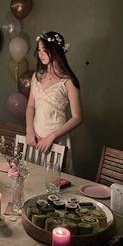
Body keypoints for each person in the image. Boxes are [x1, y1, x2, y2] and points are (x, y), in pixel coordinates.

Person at [26, 31, 82, 173]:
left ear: (56, 51)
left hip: (57, 140)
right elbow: (30, 106)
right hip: (36, 139)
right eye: (39, 50)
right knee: (33, 179)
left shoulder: (68, 81)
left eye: (45, 50)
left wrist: (52, 137)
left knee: (56, 184)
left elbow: (77, 117)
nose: (41, 54)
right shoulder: (36, 76)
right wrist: (30, 131)